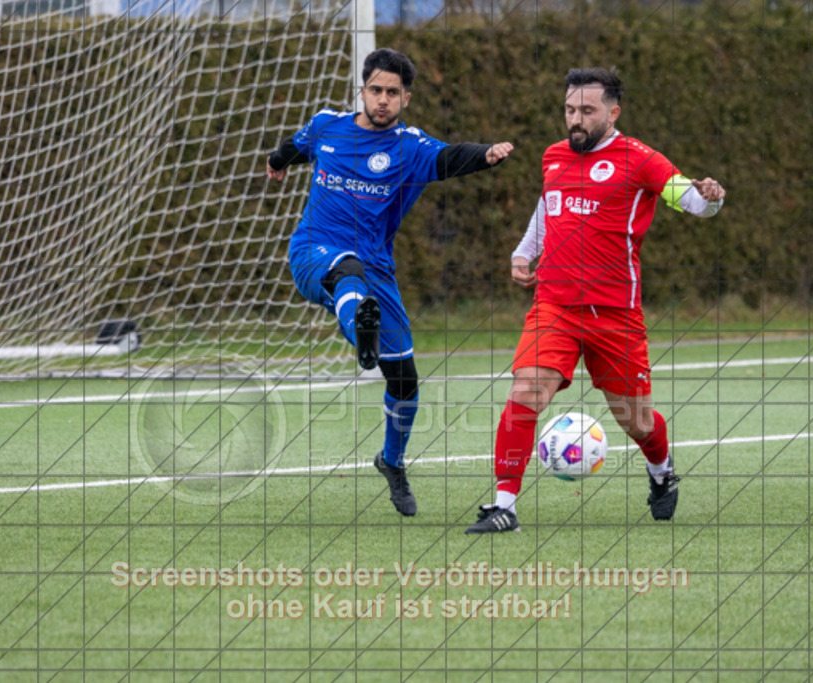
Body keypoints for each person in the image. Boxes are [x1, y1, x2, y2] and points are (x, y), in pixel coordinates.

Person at [465, 67, 725, 533]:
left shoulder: (641, 160)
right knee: (525, 393)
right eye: (569, 110)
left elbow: (694, 204)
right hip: (555, 306)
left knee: (637, 421)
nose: (576, 120)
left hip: (615, 315)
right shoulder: (553, 156)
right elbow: (549, 206)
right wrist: (525, 252)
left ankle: (661, 472)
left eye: (586, 110)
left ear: (613, 111)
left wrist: (711, 197)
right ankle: (504, 504)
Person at [267, 48, 514, 517]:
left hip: (377, 267)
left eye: (393, 93)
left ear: (406, 98)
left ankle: (392, 461)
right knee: (348, 275)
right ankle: (361, 333)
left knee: (404, 379)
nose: (383, 100)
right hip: (313, 250)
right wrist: (277, 160)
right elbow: (295, 146)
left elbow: (449, 158)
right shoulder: (327, 126)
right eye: (376, 90)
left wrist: (485, 154)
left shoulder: (410, 147)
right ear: (362, 91)